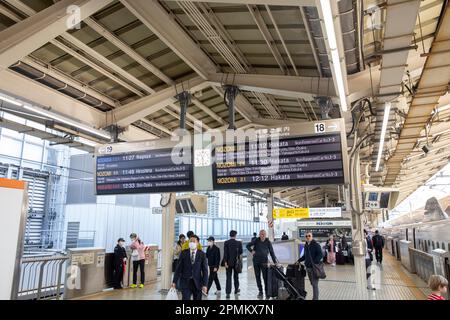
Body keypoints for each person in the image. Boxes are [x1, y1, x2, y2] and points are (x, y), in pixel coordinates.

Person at [172, 235, 208, 300]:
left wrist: (205, 284)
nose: (192, 243)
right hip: (185, 282)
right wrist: (174, 281)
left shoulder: (202, 254)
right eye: (190, 241)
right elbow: (178, 269)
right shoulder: (183, 253)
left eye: (194, 241)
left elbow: (205, 271)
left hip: (197, 283)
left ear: (197, 243)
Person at [246, 229, 278, 298]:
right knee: (258, 277)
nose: (262, 235)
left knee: (265, 277)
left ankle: (267, 292)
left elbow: (272, 252)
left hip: (264, 262)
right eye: (261, 234)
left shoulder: (268, 242)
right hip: (256, 262)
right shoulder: (256, 240)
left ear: (265, 235)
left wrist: (275, 262)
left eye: (264, 234)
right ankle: (260, 291)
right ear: (259, 235)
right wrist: (251, 251)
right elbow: (247, 245)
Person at [298, 232, 323, 300]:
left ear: (312, 237)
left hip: (314, 268)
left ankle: (315, 298)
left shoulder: (316, 245)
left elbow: (320, 255)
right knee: (312, 283)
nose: (308, 237)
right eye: (306, 236)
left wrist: (314, 262)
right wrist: (299, 260)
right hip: (308, 268)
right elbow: (305, 256)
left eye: (309, 236)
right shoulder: (306, 245)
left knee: (315, 284)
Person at [223, 230, 243, 299]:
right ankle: (236, 290)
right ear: (235, 235)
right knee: (236, 277)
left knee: (228, 278)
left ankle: (228, 293)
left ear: (230, 235)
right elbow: (241, 252)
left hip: (228, 263)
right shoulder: (239, 243)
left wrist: (225, 262)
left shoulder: (226, 242)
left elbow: (225, 253)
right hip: (236, 263)